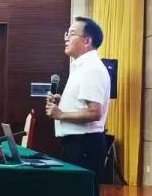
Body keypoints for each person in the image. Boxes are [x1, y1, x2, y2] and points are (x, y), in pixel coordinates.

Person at [46, 17, 111, 178]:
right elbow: (83, 105)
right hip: (76, 144)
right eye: (67, 33)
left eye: (72, 34)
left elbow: (94, 112)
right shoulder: (81, 67)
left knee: (81, 193)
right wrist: (63, 103)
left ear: (87, 41)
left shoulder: (91, 68)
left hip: (84, 146)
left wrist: (61, 114)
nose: (66, 38)